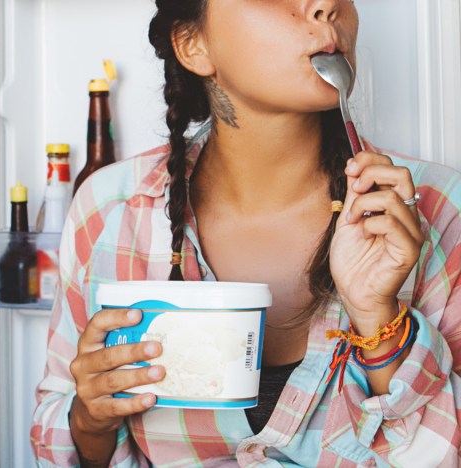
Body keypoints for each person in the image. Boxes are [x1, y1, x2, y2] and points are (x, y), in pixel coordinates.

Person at [31, 0, 461, 466]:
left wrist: (378, 318)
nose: (326, 5)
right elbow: (67, 436)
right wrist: (91, 419)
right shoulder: (108, 209)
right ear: (193, 45)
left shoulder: (437, 207)